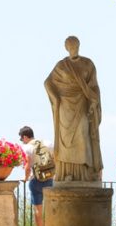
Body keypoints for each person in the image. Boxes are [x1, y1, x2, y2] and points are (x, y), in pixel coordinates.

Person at [44, 35, 103, 182]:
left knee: (83, 136)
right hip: (64, 105)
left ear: (79, 46)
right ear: (66, 48)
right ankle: (66, 174)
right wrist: (56, 98)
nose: (73, 49)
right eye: (70, 47)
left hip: (82, 103)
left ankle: (85, 174)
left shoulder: (88, 64)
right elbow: (48, 82)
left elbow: (94, 86)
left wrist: (92, 101)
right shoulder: (61, 65)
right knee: (65, 140)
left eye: (75, 46)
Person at [19, 126, 54, 226]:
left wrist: (25, 177)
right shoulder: (47, 143)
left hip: (36, 180)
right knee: (51, 209)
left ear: (25, 137)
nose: (22, 141)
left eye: (21, 139)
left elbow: (28, 166)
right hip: (49, 179)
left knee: (38, 210)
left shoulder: (28, 147)